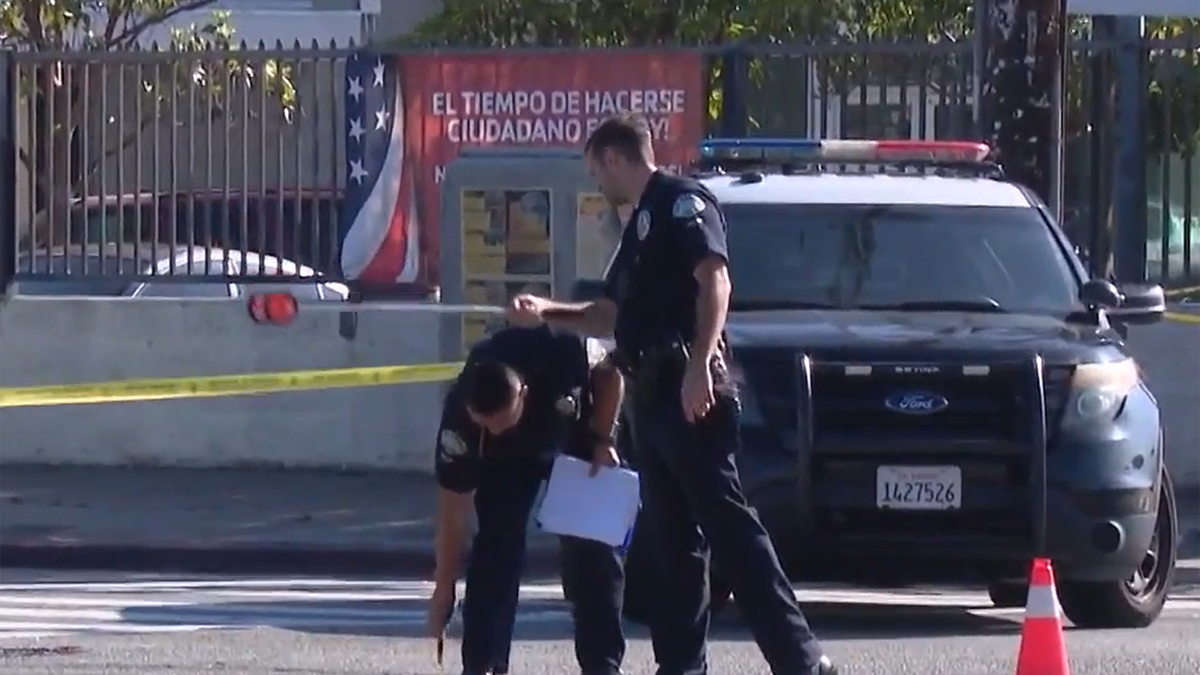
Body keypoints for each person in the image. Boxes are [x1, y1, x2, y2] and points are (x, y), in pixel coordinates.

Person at [506, 115, 837, 675]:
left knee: (731, 531)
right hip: (650, 400)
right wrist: (547, 312)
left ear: (615, 158)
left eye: (596, 171)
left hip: (688, 390)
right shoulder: (637, 231)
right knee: (674, 547)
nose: (597, 185)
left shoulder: (683, 203)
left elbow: (715, 280)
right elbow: (607, 314)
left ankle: (800, 659)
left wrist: (702, 364)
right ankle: (681, 666)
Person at [427, 324, 627, 675]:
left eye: (500, 422)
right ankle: (483, 664)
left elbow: (611, 375)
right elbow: (452, 515)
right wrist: (443, 588)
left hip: (572, 438)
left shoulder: (563, 352)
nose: (493, 430)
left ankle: (603, 665)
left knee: (593, 549)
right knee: (495, 550)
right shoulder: (460, 423)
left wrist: (603, 438)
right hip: (504, 464)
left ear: (522, 394)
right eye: (484, 425)